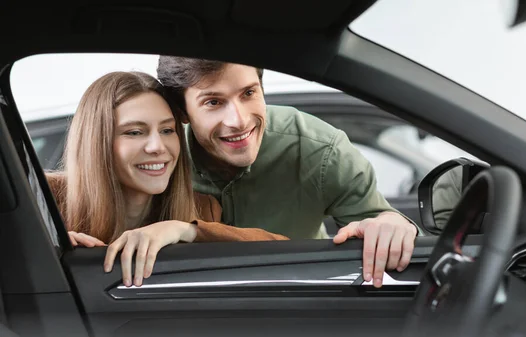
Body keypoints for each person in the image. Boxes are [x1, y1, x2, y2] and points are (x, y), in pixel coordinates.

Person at [156, 57, 420, 288]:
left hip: (299, 308)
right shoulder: (161, 159)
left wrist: (390, 225)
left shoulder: (320, 150)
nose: (239, 120)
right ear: (183, 112)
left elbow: (376, 222)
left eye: (248, 93)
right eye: (213, 102)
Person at [46, 71, 288, 287]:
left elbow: (282, 252)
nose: (157, 147)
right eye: (134, 132)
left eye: (167, 130)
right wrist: (40, 250)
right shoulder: (42, 197)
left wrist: (183, 230)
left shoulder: (201, 209)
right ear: (96, 140)